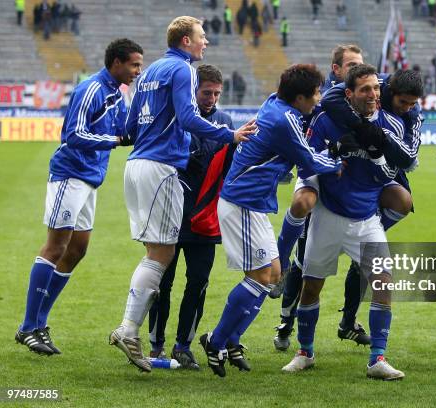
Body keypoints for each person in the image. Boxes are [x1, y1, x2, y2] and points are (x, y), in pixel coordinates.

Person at [109, 16, 255, 373]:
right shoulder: (183, 70)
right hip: (160, 169)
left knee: (158, 252)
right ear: (186, 41)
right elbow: (188, 119)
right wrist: (229, 136)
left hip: (136, 165)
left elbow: (129, 128)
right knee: (161, 253)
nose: (206, 43)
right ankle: (129, 329)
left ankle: (135, 331)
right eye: (202, 37)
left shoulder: (148, 73)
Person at [274, 47, 424, 351]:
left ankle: (377, 356)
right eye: (365, 88)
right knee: (307, 271)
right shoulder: (326, 111)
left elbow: (394, 169)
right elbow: (307, 157)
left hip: (364, 212)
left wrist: (374, 151)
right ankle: (282, 284)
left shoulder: (390, 122)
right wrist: (333, 154)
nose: (372, 94)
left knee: (399, 208)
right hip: (326, 201)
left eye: (375, 89)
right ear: (345, 86)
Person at [199, 64, 343, 377]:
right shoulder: (284, 119)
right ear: (301, 97)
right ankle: (217, 340)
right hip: (243, 203)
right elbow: (308, 162)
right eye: (315, 94)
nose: (318, 100)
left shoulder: (274, 105)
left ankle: (231, 339)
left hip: (252, 203)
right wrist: (337, 163)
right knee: (261, 278)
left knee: (273, 273)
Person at [15, 38, 144, 355]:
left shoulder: (118, 92)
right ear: (116, 63)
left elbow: (127, 128)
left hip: (90, 179)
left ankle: (38, 323)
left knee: (78, 249)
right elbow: (72, 135)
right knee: (55, 246)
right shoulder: (91, 89)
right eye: (134, 65)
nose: (137, 71)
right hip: (70, 175)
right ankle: (28, 327)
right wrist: (114, 140)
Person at [147, 64, 236, 370]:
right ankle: (156, 345)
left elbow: (231, 168)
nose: (211, 98)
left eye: (216, 93)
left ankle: (183, 345)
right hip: (170, 212)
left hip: (204, 218)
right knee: (163, 283)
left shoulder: (225, 122)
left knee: (198, 284)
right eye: (205, 92)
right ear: (192, 91)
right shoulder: (177, 119)